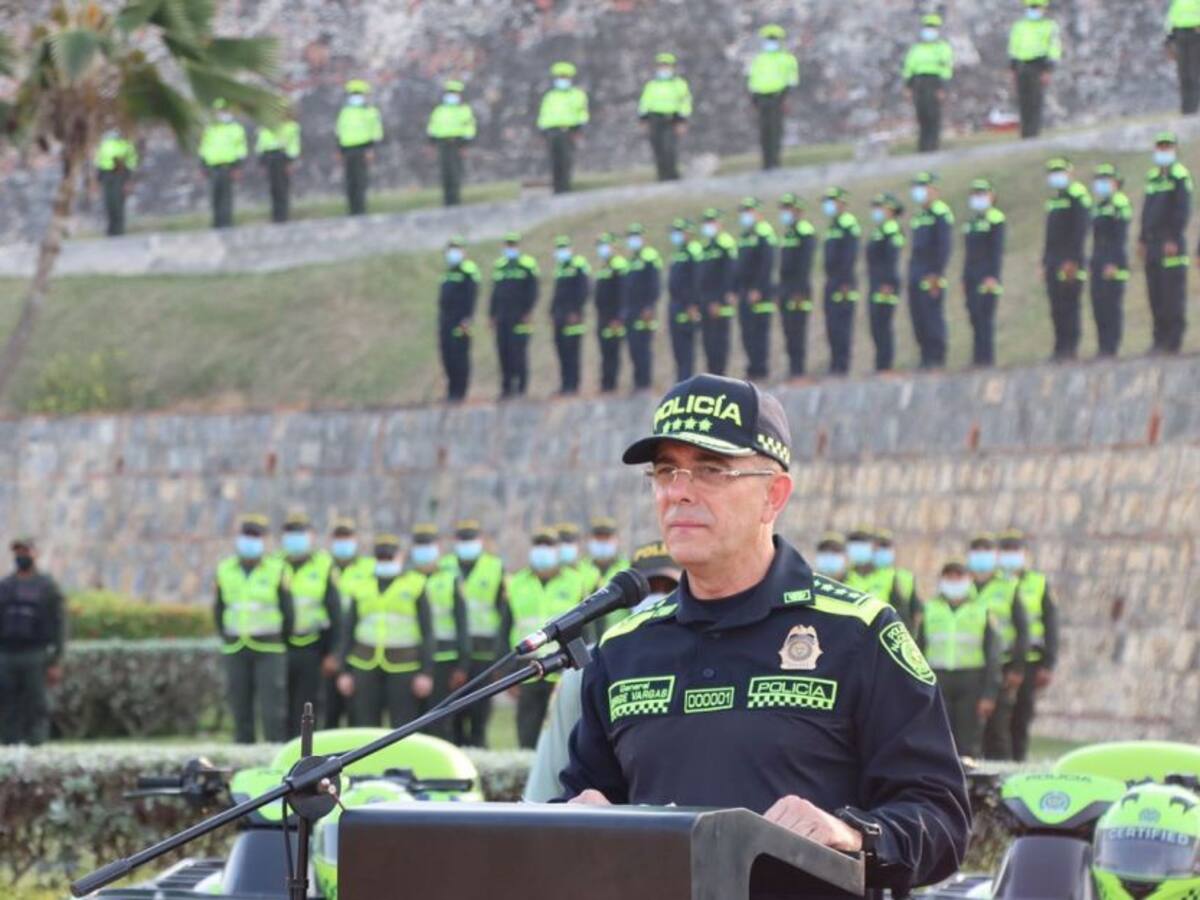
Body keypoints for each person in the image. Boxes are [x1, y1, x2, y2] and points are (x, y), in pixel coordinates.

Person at [562, 373, 970, 898]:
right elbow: (580, 805)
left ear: (773, 496)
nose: (678, 492)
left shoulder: (859, 634)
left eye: (710, 470)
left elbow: (941, 819)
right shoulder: (624, 649)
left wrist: (851, 834)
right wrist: (577, 817)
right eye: (665, 471)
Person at [524, 540, 681, 804]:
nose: (657, 598)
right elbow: (546, 784)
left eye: (669, 588)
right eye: (649, 588)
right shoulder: (590, 668)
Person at [337, 533, 435, 728]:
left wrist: (426, 672)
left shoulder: (415, 585)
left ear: (400, 557)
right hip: (364, 665)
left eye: (390, 557)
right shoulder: (361, 586)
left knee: (403, 726)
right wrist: (344, 671)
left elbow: (428, 632)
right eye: (381, 557)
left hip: (404, 667)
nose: (385, 561)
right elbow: (348, 631)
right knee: (365, 725)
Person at [213, 514, 292, 743]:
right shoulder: (225, 569)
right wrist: (227, 635)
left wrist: (278, 637)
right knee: (240, 707)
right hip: (236, 647)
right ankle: (243, 753)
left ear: (264, 540)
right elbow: (219, 608)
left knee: (272, 709)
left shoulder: (277, 569)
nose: (251, 541)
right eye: (247, 535)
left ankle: (273, 752)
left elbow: (288, 612)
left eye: (256, 536)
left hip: (269, 648)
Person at [508, 527, 585, 749]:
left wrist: (584, 668)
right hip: (527, 668)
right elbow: (507, 628)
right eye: (539, 545)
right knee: (527, 732)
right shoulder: (516, 582)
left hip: (563, 666)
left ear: (557, 550)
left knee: (564, 733)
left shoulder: (575, 581)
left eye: (548, 545)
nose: (543, 551)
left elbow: (585, 628)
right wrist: (507, 672)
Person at [917, 559, 1000, 759]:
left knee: (967, 740)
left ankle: (967, 776)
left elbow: (992, 655)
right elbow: (917, 650)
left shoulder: (982, 610)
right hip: (938, 678)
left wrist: (989, 693)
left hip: (970, 680)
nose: (954, 582)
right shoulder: (929, 609)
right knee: (937, 736)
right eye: (949, 578)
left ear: (968, 580)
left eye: (958, 577)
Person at [447, 519, 510, 746]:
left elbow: (504, 616)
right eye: (463, 539)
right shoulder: (445, 567)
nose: (467, 544)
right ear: (455, 541)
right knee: (451, 716)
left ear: (480, 541)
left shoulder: (494, 567)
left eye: (471, 539)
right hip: (453, 654)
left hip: (484, 653)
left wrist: (501, 659)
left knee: (479, 716)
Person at [966, 534, 1029, 761]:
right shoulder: (962, 585)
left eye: (986, 551)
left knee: (998, 729)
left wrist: (1018, 668)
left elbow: (1023, 630)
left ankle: (1002, 775)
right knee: (968, 731)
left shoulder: (1008, 587)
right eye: (977, 551)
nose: (981, 557)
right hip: (969, 666)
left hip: (1001, 665)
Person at [997, 530, 1058, 763]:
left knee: (1021, 716)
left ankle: (1018, 763)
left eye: (1015, 550)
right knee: (995, 721)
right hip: (999, 660)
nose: (1010, 555)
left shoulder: (1038, 583)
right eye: (1006, 550)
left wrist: (1048, 663)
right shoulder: (995, 584)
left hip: (1031, 661)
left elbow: (1051, 624)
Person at [0, 538, 65, 746]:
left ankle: (36, 743)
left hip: (35, 653)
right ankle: (9, 744)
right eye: (18, 552)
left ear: (35, 554)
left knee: (36, 703)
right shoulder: (5, 586)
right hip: (7, 654)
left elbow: (60, 625)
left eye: (25, 551)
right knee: (7, 701)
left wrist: (56, 660)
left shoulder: (47, 586)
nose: (21, 556)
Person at [280, 511, 340, 738]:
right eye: (291, 533)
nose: (296, 539)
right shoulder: (274, 565)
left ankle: (307, 751)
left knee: (308, 706)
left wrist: (334, 652)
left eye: (301, 533)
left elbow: (336, 614)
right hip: (281, 647)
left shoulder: (324, 566)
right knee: (281, 707)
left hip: (314, 647)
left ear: (312, 536)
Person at [410, 524, 467, 740]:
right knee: (412, 722)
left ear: (439, 548)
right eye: (420, 544)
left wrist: (463, 664)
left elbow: (462, 623)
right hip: (412, 659)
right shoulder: (406, 580)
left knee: (440, 722)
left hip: (445, 658)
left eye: (429, 544)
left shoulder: (450, 579)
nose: (424, 550)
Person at [1140, 132, 1192, 355]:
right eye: (1160, 147)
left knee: (1172, 294)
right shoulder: (1153, 178)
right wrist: (1142, 238)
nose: (1163, 151)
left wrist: (1172, 237)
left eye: (1167, 147)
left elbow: (1182, 210)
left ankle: (1173, 341)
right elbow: (1147, 210)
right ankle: (1159, 340)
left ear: (1175, 150)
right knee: (1156, 293)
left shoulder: (1180, 176)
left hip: (1171, 244)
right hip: (1153, 244)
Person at [326, 517, 373, 727]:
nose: (343, 542)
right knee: (328, 712)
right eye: (339, 537)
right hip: (327, 648)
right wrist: (332, 654)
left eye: (347, 537)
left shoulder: (369, 568)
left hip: (359, 648)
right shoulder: (323, 567)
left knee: (358, 711)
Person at [1044, 157, 1092, 361]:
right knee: (1056, 307)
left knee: (1069, 305)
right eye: (1053, 172)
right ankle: (1060, 347)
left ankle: (1070, 348)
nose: (1056, 176)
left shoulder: (1078, 195)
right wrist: (1045, 261)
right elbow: (1050, 234)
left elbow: (1080, 230)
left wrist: (1073, 259)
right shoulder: (1055, 200)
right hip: (1053, 260)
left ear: (1071, 173)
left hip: (1070, 260)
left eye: (1060, 171)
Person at [907, 171, 955, 370]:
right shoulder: (919, 216)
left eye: (923, 187)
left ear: (934, 189)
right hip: (916, 272)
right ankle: (925, 358)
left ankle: (936, 358)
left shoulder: (941, 213)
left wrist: (936, 273)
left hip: (932, 273)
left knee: (932, 316)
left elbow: (944, 246)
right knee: (918, 318)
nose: (919, 191)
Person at [962, 178, 1007, 367]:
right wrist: (964, 277)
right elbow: (968, 253)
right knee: (974, 317)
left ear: (991, 196)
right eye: (975, 194)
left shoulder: (996, 218)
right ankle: (977, 358)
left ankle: (986, 359)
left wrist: (992, 276)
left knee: (985, 317)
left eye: (982, 194)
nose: (978, 198)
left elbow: (997, 251)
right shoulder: (972, 222)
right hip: (972, 276)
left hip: (987, 277)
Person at [489, 232, 540, 399]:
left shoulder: (527, 265)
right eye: (508, 245)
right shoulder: (500, 266)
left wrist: (528, 311)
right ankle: (506, 387)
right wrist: (492, 314)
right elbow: (495, 293)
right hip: (502, 317)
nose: (510, 248)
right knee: (503, 352)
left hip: (520, 317)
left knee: (518, 352)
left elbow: (533, 291)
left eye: (513, 245)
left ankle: (521, 388)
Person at [733, 197, 779, 380]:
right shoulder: (745, 236)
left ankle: (761, 369)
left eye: (749, 210)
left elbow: (766, 264)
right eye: (744, 211)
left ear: (758, 212)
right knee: (747, 332)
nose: (746, 215)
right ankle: (752, 368)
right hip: (744, 292)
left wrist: (758, 288)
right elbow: (739, 266)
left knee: (759, 331)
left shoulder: (764, 233)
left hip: (760, 292)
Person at [1089, 164, 1132, 358]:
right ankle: (1102, 346)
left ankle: (1111, 346)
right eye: (1099, 179)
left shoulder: (1119, 202)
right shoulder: (1099, 206)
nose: (1102, 183)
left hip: (1114, 261)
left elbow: (1120, 236)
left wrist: (1113, 262)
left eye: (1106, 179)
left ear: (1115, 182)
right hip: (1098, 260)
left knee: (1111, 305)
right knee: (1099, 305)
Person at [747, 24, 799, 170]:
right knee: (764, 131)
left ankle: (775, 161)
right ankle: (766, 162)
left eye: (773, 39)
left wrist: (784, 96)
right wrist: (754, 97)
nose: (770, 42)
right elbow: (753, 79)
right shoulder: (759, 59)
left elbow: (792, 79)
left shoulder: (787, 59)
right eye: (768, 39)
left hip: (778, 97)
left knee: (776, 129)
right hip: (761, 98)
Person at [777, 193, 818, 378]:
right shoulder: (789, 232)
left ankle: (799, 370)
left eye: (788, 208)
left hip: (799, 290)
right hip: (786, 289)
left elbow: (805, 264)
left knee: (798, 329)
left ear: (798, 210)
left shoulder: (805, 231)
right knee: (789, 330)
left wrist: (799, 290)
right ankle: (793, 369)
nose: (785, 212)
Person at [821, 187, 861, 375]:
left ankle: (843, 364)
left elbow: (849, 256)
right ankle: (835, 363)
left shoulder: (848, 224)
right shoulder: (833, 226)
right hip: (832, 280)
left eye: (832, 200)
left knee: (843, 325)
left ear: (842, 203)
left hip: (844, 282)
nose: (828, 205)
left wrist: (845, 282)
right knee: (832, 325)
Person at [1008, 0, 1062, 139]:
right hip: (1021, 66)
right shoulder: (1019, 26)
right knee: (1023, 100)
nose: (1033, 10)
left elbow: (1054, 48)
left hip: (1039, 66)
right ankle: (1025, 132)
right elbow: (1013, 47)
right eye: (1031, 7)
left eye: (1037, 7)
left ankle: (1034, 132)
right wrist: (1013, 68)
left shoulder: (1049, 26)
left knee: (1035, 99)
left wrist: (1048, 69)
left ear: (1043, 8)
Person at [696, 208, 739, 376]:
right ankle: (712, 374)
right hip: (706, 302)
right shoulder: (706, 247)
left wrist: (719, 300)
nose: (709, 225)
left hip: (719, 302)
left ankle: (721, 374)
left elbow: (729, 274)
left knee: (719, 340)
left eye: (712, 221)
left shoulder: (726, 244)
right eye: (707, 222)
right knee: (708, 342)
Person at [903, 13, 954, 153]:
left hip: (934, 83)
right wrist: (908, 86)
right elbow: (909, 68)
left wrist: (943, 88)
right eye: (927, 27)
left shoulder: (943, 48)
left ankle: (933, 145)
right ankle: (923, 146)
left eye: (932, 27)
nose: (929, 30)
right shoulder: (916, 49)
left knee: (933, 114)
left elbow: (946, 69)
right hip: (919, 83)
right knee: (922, 114)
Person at [865, 193, 906, 372]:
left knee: (883, 322)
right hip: (875, 282)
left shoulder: (892, 230)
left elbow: (891, 259)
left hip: (886, 284)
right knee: (876, 324)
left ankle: (886, 364)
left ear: (890, 210)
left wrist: (887, 282)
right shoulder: (879, 231)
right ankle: (880, 364)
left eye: (880, 207)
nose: (877, 211)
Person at [638, 52, 693, 181]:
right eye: (661, 66)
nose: (663, 69)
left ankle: (672, 174)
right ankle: (662, 176)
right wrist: (643, 119)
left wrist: (682, 120)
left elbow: (685, 102)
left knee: (669, 147)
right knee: (657, 147)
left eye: (666, 66)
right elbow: (644, 102)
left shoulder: (679, 84)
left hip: (672, 118)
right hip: (655, 118)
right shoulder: (652, 85)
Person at [438, 236, 480, 402]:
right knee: (447, 355)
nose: (453, 252)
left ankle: (460, 391)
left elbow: (471, 296)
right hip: (446, 321)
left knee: (459, 355)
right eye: (451, 248)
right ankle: (451, 391)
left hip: (460, 321)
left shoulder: (468, 270)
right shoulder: (448, 272)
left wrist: (467, 319)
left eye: (457, 248)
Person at [844, 527, 912, 628]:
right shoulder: (844, 577)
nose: (859, 548)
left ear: (874, 547)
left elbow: (902, 615)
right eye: (855, 543)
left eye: (863, 543)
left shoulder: (891, 577)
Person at [537, 62, 589, 194]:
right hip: (552, 131)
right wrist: (542, 131)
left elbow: (582, 114)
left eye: (565, 77)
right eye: (560, 77)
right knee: (555, 161)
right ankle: (557, 188)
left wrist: (578, 129)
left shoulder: (577, 95)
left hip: (568, 131)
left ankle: (565, 187)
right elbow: (543, 115)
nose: (562, 80)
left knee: (566, 160)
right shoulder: (550, 96)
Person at [622, 223, 663, 390]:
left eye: (636, 235)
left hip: (644, 311)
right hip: (631, 312)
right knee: (633, 348)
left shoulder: (650, 256)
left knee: (643, 347)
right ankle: (638, 382)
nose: (633, 239)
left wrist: (649, 307)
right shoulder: (632, 260)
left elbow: (654, 284)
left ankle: (645, 383)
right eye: (630, 236)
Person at [550, 235, 591, 396]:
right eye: (559, 248)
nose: (561, 251)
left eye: (564, 247)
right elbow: (557, 294)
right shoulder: (559, 268)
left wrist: (576, 311)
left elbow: (584, 290)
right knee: (562, 352)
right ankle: (565, 384)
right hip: (559, 317)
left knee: (572, 351)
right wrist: (552, 312)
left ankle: (573, 385)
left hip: (573, 318)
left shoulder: (578, 265)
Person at [336, 79, 384, 216]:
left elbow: (376, 132)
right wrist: (339, 150)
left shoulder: (370, 112)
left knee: (360, 180)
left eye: (358, 94)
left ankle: (361, 209)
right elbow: (339, 131)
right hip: (347, 150)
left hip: (363, 149)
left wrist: (370, 149)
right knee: (350, 181)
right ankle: (352, 210)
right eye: (353, 94)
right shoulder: (345, 112)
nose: (356, 97)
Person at [426, 79, 477, 206]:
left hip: (457, 144)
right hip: (442, 144)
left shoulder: (464, 110)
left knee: (455, 172)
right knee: (445, 172)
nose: (452, 96)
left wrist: (465, 144)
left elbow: (469, 128)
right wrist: (431, 142)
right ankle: (447, 201)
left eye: (454, 93)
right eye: (450, 93)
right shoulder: (439, 110)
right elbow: (432, 127)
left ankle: (455, 200)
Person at [198, 99, 247, 229]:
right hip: (212, 167)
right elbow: (203, 148)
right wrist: (202, 166)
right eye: (219, 111)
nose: (221, 113)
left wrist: (238, 167)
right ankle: (217, 223)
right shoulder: (210, 128)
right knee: (215, 196)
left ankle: (227, 223)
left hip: (228, 167)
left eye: (224, 110)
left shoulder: (236, 129)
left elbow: (241, 150)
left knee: (226, 196)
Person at [666, 218, 703, 382]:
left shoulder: (694, 251)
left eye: (679, 231)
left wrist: (693, 304)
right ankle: (681, 381)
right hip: (676, 305)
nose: (676, 235)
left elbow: (697, 279)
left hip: (688, 306)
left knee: (687, 348)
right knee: (678, 348)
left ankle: (687, 381)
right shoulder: (678, 253)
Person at [593, 232, 629, 393]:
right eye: (600, 245)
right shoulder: (604, 266)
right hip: (603, 317)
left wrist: (619, 316)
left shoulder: (619, 265)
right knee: (605, 352)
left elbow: (623, 292)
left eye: (605, 244)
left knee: (613, 351)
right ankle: (606, 383)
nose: (602, 248)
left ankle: (612, 384)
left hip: (614, 318)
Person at [254, 111, 301, 224]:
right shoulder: (265, 127)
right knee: (273, 188)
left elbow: (294, 145)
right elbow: (261, 144)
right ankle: (275, 216)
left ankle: (283, 215)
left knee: (282, 187)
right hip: (269, 157)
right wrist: (261, 162)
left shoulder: (291, 126)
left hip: (282, 157)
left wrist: (290, 162)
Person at [873, 529, 922, 633]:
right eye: (880, 547)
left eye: (886, 547)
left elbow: (915, 612)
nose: (883, 551)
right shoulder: (860, 577)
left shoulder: (905, 577)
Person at [93, 129, 138, 236]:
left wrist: (129, 178)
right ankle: (111, 229)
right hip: (106, 175)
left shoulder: (126, 144)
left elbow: (131, 161)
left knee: (118, 203)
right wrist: (98, 177)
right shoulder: (103, 144)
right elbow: (98, 161)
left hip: (120, 175)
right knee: (109, 203)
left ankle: (119, 229)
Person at [1166, 0, 1200, 114]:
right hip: (1180, 35)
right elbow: (1170, 19)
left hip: (1196, 35)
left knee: (1193, 73)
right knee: (1183, 74)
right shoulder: (1176, 2)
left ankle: (1193, 107)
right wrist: (1169, 39)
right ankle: (1185, 107)